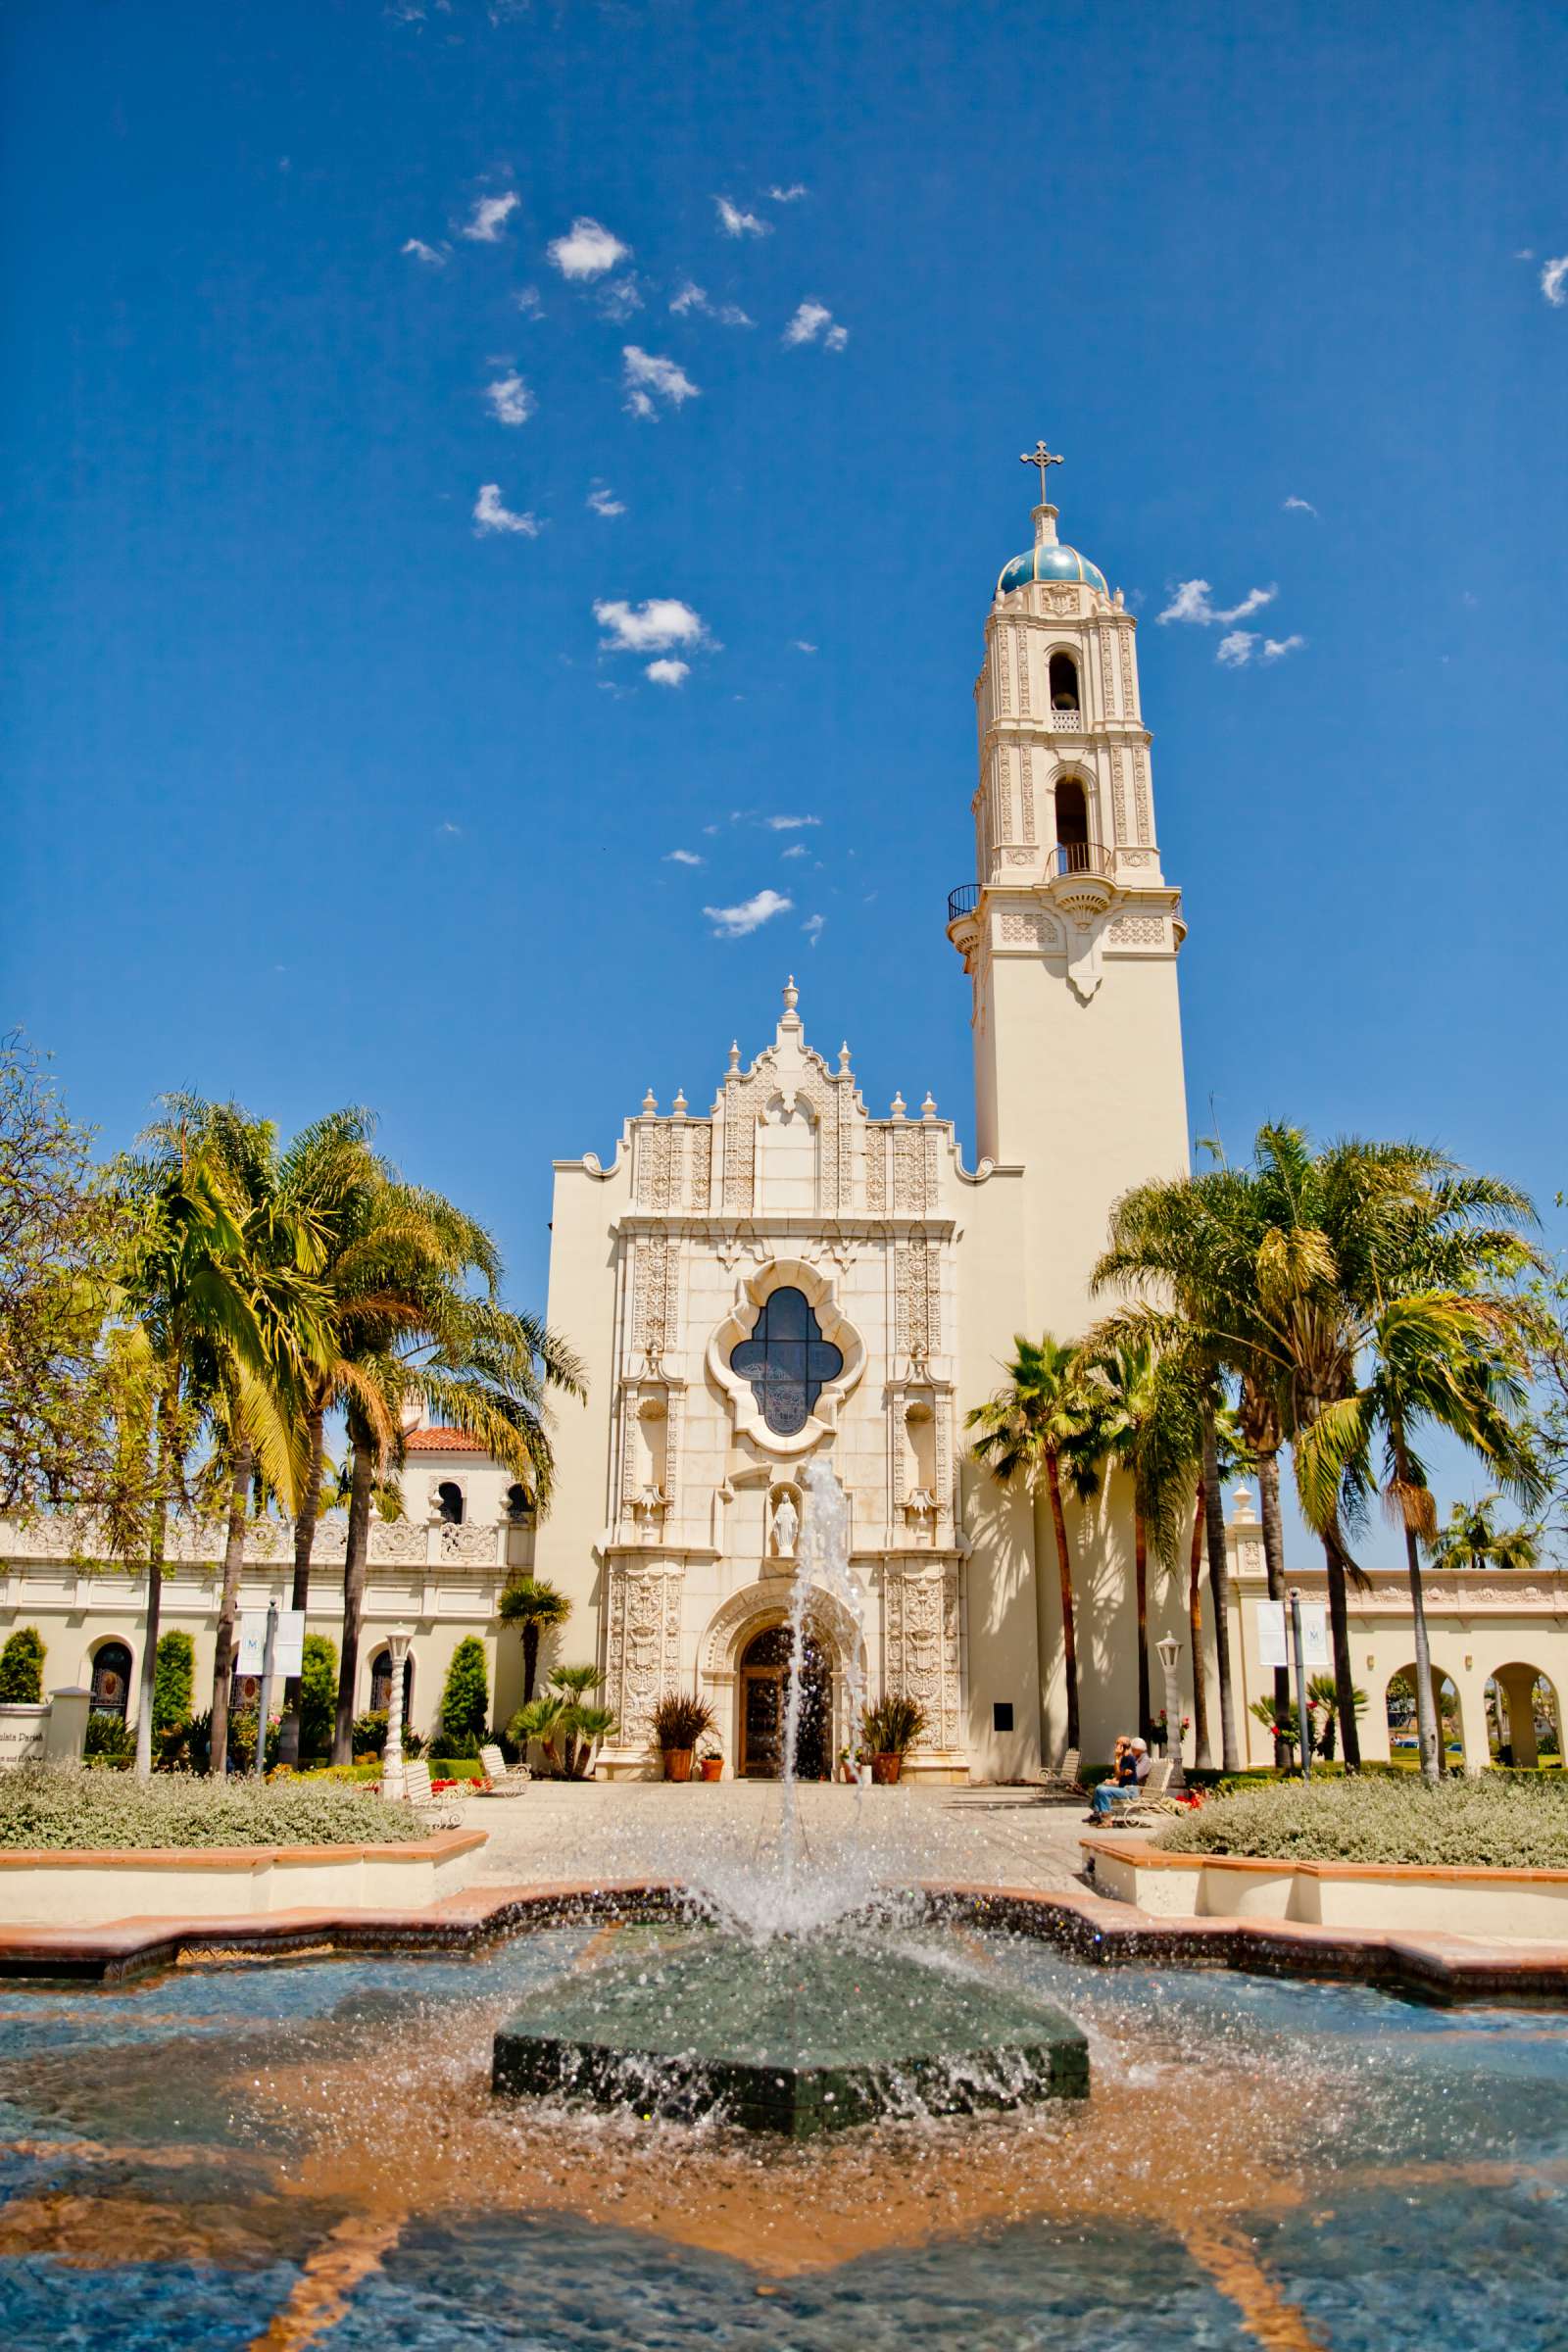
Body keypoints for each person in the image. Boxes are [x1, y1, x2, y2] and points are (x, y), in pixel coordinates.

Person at [1087, 1737, 1152, 1821]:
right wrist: (1113, 1780)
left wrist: (1116, 1782)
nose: (1131, 1750)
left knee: (1103, 1789)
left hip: (1133, 1789)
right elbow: (1120, 1772)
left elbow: (1135, 1777)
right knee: (1100, 1786)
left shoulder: (1144, 1761)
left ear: (1140, 1750)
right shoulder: (1134, 1758)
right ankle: (1096, 1814)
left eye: (1133, 1749)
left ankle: (1104, 1817)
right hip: (1128, 1786)